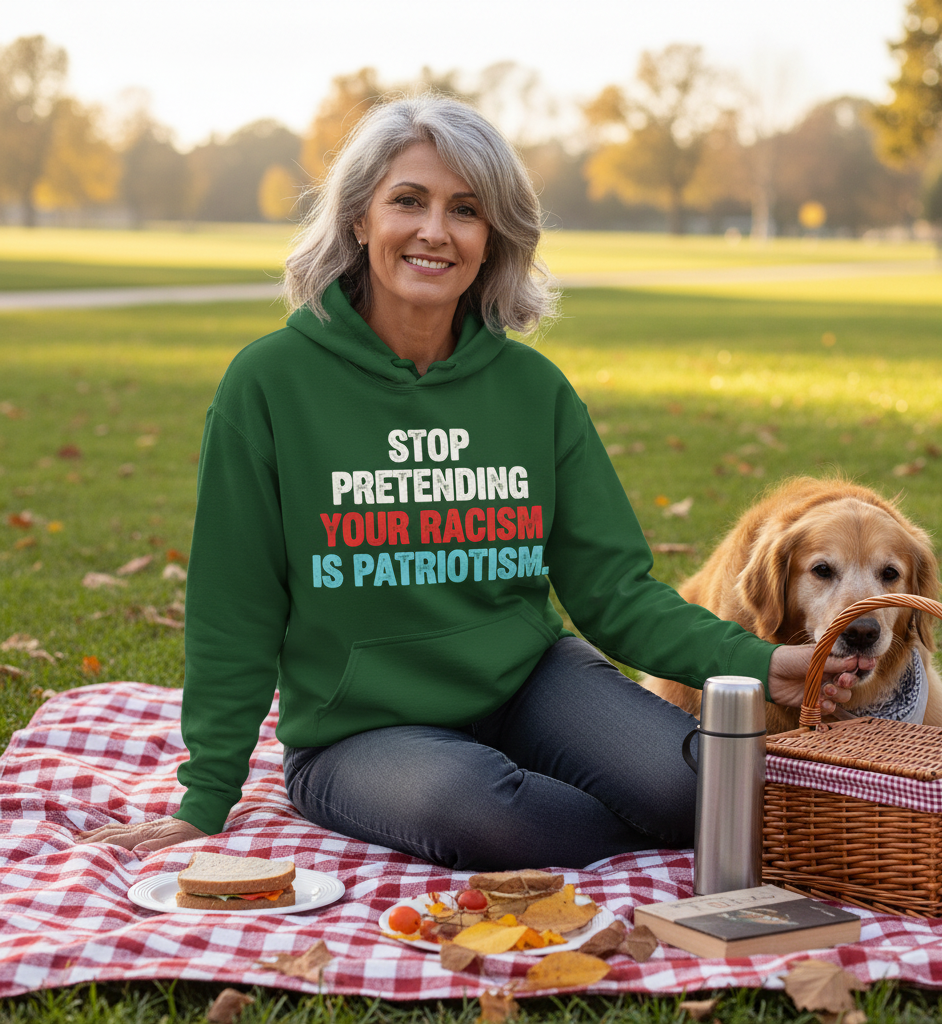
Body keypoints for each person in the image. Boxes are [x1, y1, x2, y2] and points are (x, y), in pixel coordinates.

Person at [78, 95, 861, 870]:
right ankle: (572, 809)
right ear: (359, 218)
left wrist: (759, 664)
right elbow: (234, 606)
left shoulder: (533, 391)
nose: (434, 231)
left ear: (491, 240)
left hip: (530, 684)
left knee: (691, 784)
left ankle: (629, 805)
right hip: (358, 733)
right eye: (408, 201)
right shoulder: (269, 383)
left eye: (465, 210)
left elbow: (614, 591)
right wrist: (205, 796)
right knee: (483, 813)